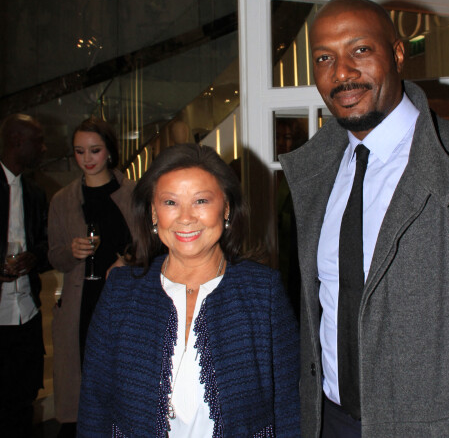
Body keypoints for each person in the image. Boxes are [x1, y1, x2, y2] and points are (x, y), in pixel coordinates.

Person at [278, 0, 449, 437]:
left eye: (360, 50)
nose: (342, 72)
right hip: (327, 424)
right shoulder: (315, 173)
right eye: (324, 57)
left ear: (398, 53)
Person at [77, 143, 300, 437]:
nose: (185, 218)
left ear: (227, 207)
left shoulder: (263, 292)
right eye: (170, 202)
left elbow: (289, 405)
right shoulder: (121, 291)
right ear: (153, 213)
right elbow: (94, 403)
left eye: (201, 201)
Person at [48, 117, 137, 437]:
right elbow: (54, 256)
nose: (87, 159)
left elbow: (152, 247)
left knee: (124, 382)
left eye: (95, 150)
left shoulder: (133, 193)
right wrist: (71, 251)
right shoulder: (62, 199)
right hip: (80, 304)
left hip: (126, 302)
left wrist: (128, 260)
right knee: (82, 388)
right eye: (79, 151)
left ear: (109, 152)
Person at [0, 113, 49, 438]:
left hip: (27, 315)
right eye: (38, 142)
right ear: (17, 142)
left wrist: (36, 256)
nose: (44, 149)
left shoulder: (35, 192)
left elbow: (46, 245)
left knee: (24, 400)